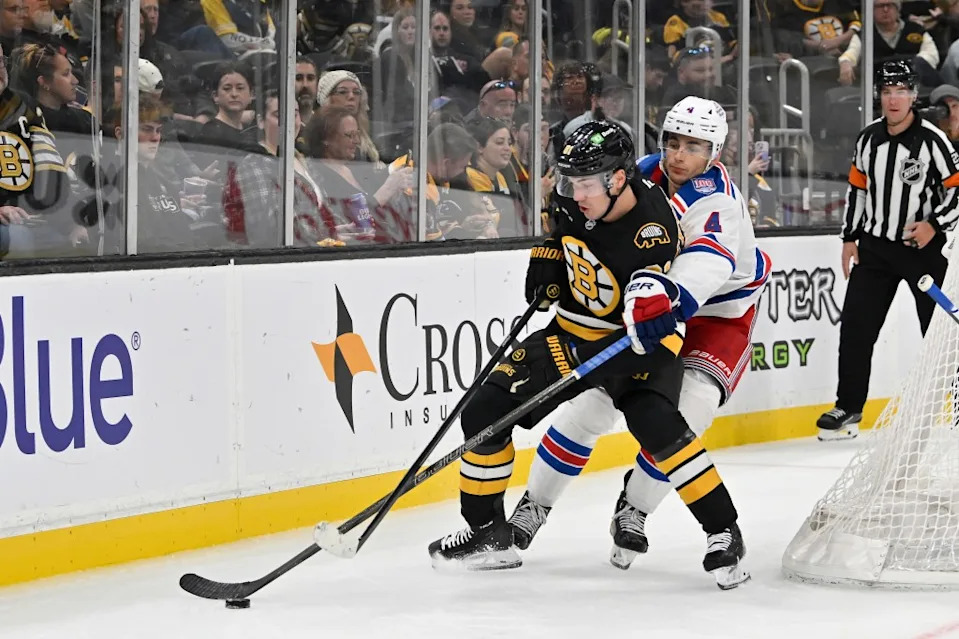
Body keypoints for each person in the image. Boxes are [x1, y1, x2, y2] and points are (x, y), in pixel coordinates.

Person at [427, 116, 748, 590]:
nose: (574, 194)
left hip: (636, 345)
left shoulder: (654, 226)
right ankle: (488, 534)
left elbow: (676, 275)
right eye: (568, 181)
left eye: (586, 184)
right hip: (571, 333)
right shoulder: (574, 194)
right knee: (483, 411)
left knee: (659, 426)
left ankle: (724, 531)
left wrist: (657, 298)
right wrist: (550, 255)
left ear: (618, 180)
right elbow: (564, 231)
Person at [508, 97, 767, 588]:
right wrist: (552, 246)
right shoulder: (639, 173)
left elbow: (708, 261)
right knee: (592, 404)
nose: (679, 154)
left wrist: (665, 296)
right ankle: (534, 505)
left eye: (694, 146)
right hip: (643, 305)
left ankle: (636, 506)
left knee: (688, 411)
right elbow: (580, 213)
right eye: (673, 141)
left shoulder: (717, 201)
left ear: (714, 152)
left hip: (715, 313)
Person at [817, 60, 959, 440]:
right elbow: (857, 192)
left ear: (913, 95)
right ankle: (849, 406)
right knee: (856, 328)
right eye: (887, 91)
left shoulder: (933, 140)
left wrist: (934, 224)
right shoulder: (868, 139)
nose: (893, 99)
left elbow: (957, 188)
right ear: (878, 95)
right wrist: (849, 238)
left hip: (922, 250)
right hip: (875, 250)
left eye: (901, 91)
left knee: (939, 331)